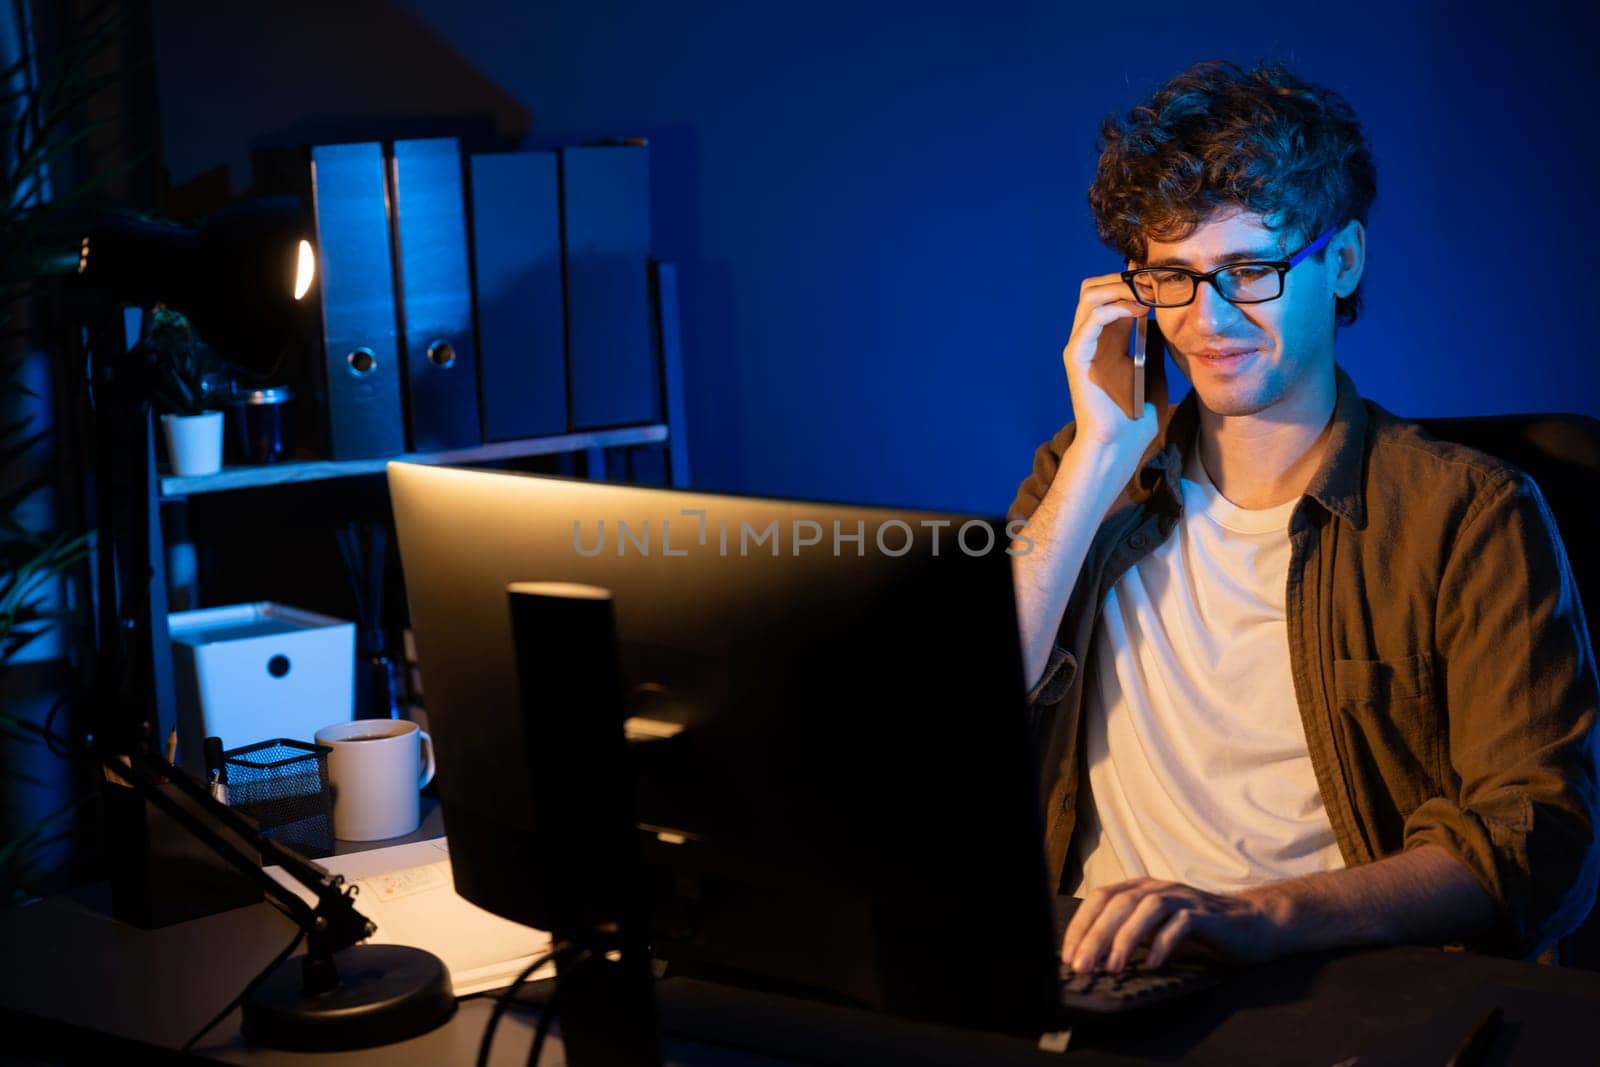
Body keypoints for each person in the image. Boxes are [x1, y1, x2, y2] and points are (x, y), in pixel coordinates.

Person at [1008, 59, 1600, 975]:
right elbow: (952, 727)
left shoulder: (1469, 516)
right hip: (1096, 972)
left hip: (1317, 980)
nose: (1208, 320)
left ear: (1345, 259)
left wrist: (1253, 919)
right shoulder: (1084, 478)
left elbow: (1539, 842)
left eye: (1251, 269)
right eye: (1173, 276)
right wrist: (1094, 460)